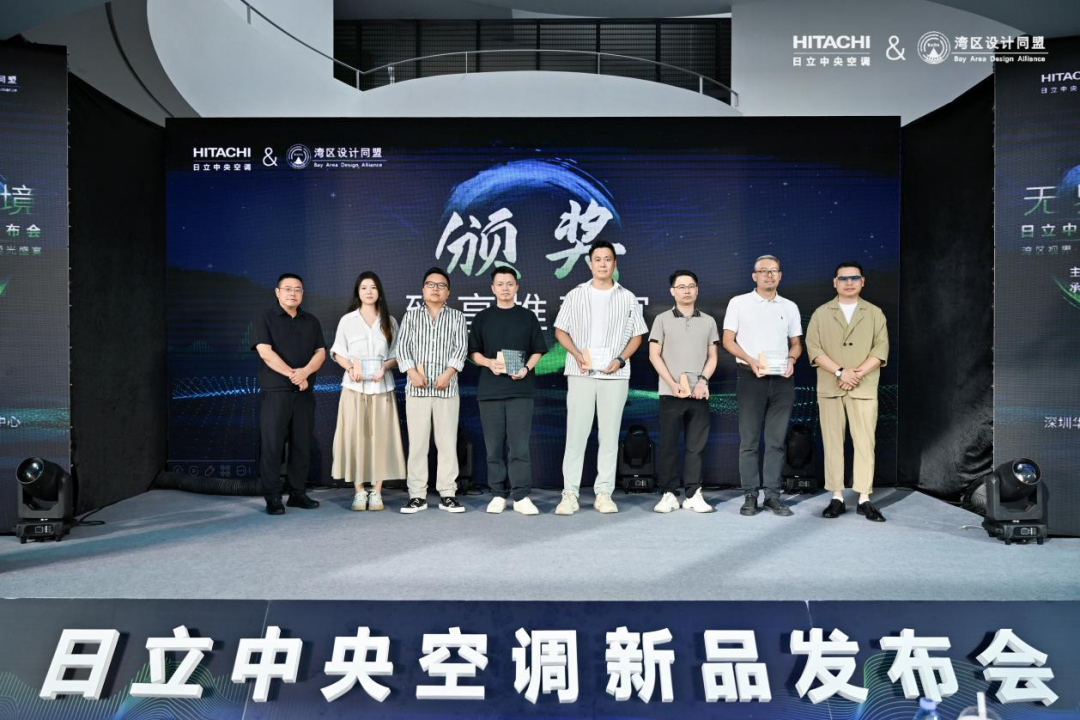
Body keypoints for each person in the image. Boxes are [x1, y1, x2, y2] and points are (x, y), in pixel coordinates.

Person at [553, 240, 648, 515]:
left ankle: (604, 493)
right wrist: (577, 355)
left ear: (614, 263)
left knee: (609, 436)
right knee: (576, 435)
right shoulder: (576, 294)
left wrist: (620, 360)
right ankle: (570, 493)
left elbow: (637, 335)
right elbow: (560, 331)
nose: (603, 264)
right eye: (598, 259)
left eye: (608, 259)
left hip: (615, 375)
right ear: (590, 264)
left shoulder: (627, 297)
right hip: (581, 372)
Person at [804, 261, 890, 522]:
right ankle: (837, 497)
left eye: (854, 278)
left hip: (863, 387)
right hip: (831, 388)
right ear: (835, 283)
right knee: (832, 443)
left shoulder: (874, 313)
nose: (849, 282)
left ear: (862, 281)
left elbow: (881, 349)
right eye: (843, 278)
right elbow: (814, 349)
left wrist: (856, 374)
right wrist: (841, 372)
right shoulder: (821, 313)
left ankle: (864, 498)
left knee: (865, 443)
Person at [721, 255, 802, 517]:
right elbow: (728, 340)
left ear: (780, 275)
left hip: (782, 380)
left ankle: (773, 496)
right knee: (749, 441)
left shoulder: (789, 306)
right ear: (754, 276)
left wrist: (792, 359)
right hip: (750, 377)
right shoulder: (739, 303)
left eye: (774, 271)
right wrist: (750, 360)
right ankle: (750, 495)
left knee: (776, 441)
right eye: (763, 271)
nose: (769, 275)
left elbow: (796, 344)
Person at [468, 268, 548, 515]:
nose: (505, 288)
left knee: (519, 448)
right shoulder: (482, 318)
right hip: (490, 392)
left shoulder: (527, 317)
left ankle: (521, 495)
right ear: (492, 288)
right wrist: (488, 363)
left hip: (520, 391)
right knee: (493, 448)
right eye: (500, 284)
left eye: (510, 284)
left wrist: (526, 369)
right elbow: (473, 352)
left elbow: (538, 350)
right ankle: (498, 494)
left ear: (516, 287)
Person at [329, 271, 406, 512]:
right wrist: (350, 367)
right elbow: (338, 352)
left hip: (382, 388)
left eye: (373, 287)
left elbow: (397, 355)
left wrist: (385, 367)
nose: (369, 291)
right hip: (354, 388)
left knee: (380, 439)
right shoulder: (348, 320)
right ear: (358, 292)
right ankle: (359, 491)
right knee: (355, 437)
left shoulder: (389, 321)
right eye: (364, 287)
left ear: (379, 291)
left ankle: (377, 491)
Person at [252, 273, 326, 515]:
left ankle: (297, 493)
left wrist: (304, 373)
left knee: (302, 445)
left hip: (304, 393)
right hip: (276, 393)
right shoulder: (265, 317)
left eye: (297, 289)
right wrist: (293, 374)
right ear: (277, 292)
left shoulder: (311, 321)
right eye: (287, 289)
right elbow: (265, 351)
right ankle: (273, 497)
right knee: (272, 446)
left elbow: (321, 353)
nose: (292, 293)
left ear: (302, 293)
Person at [396, 267, 468, 514]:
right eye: (431, 285)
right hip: (417, 391)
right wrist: (411, 372)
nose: (436, 289)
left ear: (448, 292)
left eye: (441, 286)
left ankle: (448, 493)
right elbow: (402, 348)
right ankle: (417, 495)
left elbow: (461, 349)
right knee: (417, 445)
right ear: (422, 289)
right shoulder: (411, 316)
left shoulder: (457, 317)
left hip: (447, 390)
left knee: (447, 444)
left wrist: (448, 374)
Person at [648, 270, 720, 513]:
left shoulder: (709, 321)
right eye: (681, 287)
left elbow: (712, 356)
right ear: (672, 291)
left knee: (695, 446)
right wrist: (671, 383)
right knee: (668, 445)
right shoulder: (662, 319)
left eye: (691, 286)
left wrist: (703, 381)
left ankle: (693, 494)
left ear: (697, 290)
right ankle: (668, 494)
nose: (687, 290)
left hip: (699, 393)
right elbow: (654, 355)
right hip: (670, 393)